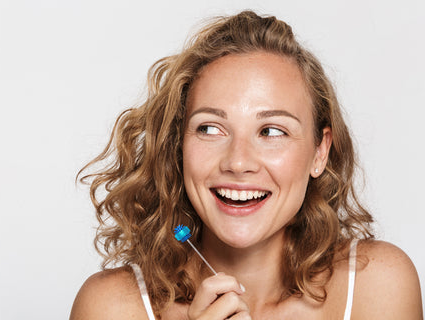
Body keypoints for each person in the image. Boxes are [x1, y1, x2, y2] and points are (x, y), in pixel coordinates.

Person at [70, 11, 423, 319]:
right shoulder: (111, 306)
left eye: (272, 131)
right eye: (210, 128)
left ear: (319, 152)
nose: (238, 162)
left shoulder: (377, 284)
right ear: (178, 145)